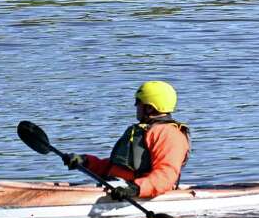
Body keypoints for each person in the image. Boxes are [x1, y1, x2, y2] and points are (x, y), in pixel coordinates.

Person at [60, 80, 191, 201]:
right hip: (119, 186)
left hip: (140, 193)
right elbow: (116, 167)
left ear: (149, 108)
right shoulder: (143, 130)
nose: (136, 106)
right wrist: (85, 162)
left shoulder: (168, 134)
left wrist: (134, 189)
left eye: (138, 103)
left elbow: (166, 175)